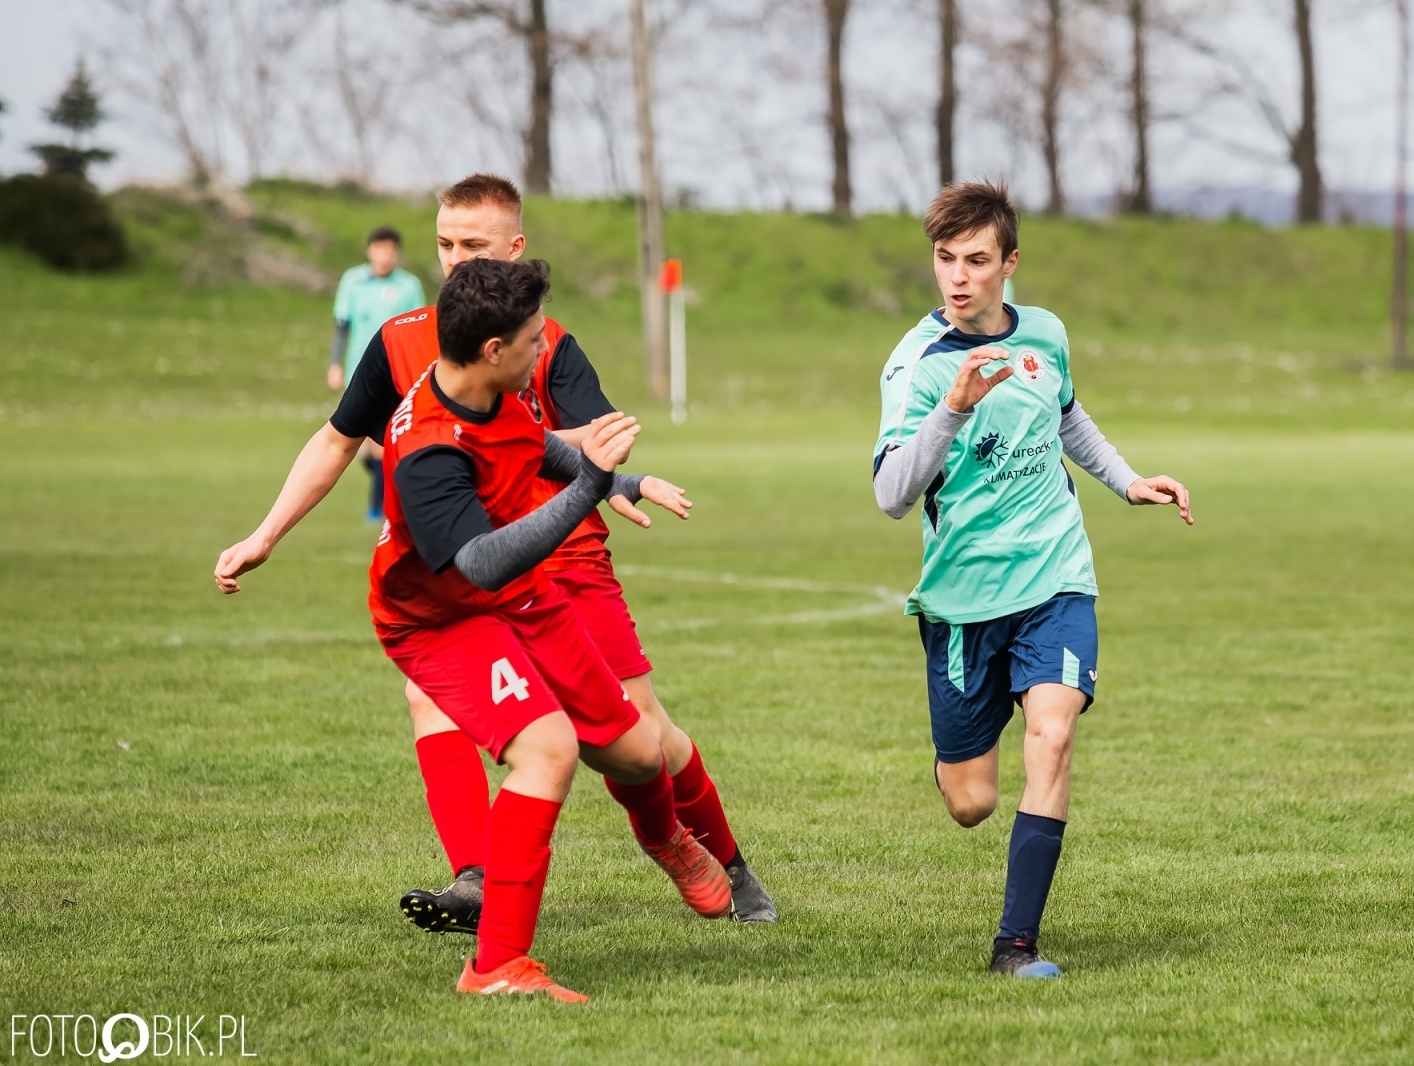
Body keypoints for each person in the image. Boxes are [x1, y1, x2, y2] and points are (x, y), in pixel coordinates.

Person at [214, 173, 774, 928]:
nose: (453, 259)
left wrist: (614, 477)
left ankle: (723, 862)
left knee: (643, 737)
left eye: (472, 245)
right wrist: (265, 533)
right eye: (444, 243)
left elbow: (585, 438)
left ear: (516, 250)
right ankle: (478, 879)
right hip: (465, 572)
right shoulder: (402, 340)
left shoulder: (545, 343)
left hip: (563, 556)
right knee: (430, 694)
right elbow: (338, 438)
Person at [872, 181, 1193, 979]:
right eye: (946, 259)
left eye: (977, 260)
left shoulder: (1044, 335)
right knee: (971, 801)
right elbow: (890, 496)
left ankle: (1016, 945)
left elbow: (1067, 413)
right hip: (962, 603)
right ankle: (964, 743)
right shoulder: (916, 365)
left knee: (1053, 737)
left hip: (1055, 576)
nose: (958, 276)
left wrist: (1126, 481)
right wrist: (951, 408)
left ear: (1010, 263)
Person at [329, 226, 425, 521]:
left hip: (397, 374)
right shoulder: (353, 281)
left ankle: (379, 508)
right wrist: (335, 364)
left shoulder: (409, 286)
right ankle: (389, 494)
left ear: (396, 254)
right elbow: (342, 326)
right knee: (363, 449)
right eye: (379, 249)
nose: (384, 256)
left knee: (383, 443)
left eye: (390, 250)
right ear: (370, 251)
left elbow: (418, 330)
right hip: (359, 373)